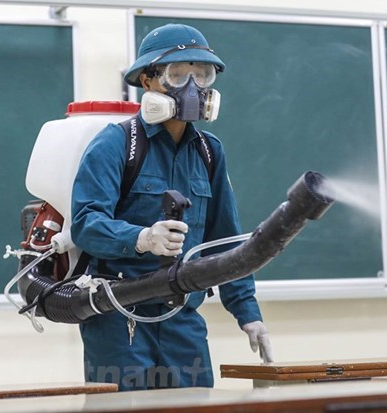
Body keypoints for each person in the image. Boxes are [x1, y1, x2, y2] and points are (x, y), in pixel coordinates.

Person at [70, 23, 272, 391]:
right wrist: (142, 238)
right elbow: (85, 224)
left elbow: (226, 243)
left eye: (202, 74)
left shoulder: (209, 152)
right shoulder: (116, 145)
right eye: (177, 75)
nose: (192, 87)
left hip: (183, 319)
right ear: (147, 81)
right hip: (119, 320)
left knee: (194, 403)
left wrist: (247, 313)